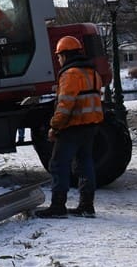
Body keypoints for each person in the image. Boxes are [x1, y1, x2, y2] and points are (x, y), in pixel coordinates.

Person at [35, 35, 104, 219]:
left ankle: (58, 206)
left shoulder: (70, 74)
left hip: (73, 126)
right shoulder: (93, 73)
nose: (58, 60)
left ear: (65, 55)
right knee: (85, 163)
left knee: (58, 164)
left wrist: (54, 126)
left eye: (58, 56)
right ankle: (87, 206)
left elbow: (65, 106)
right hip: (91, 125)